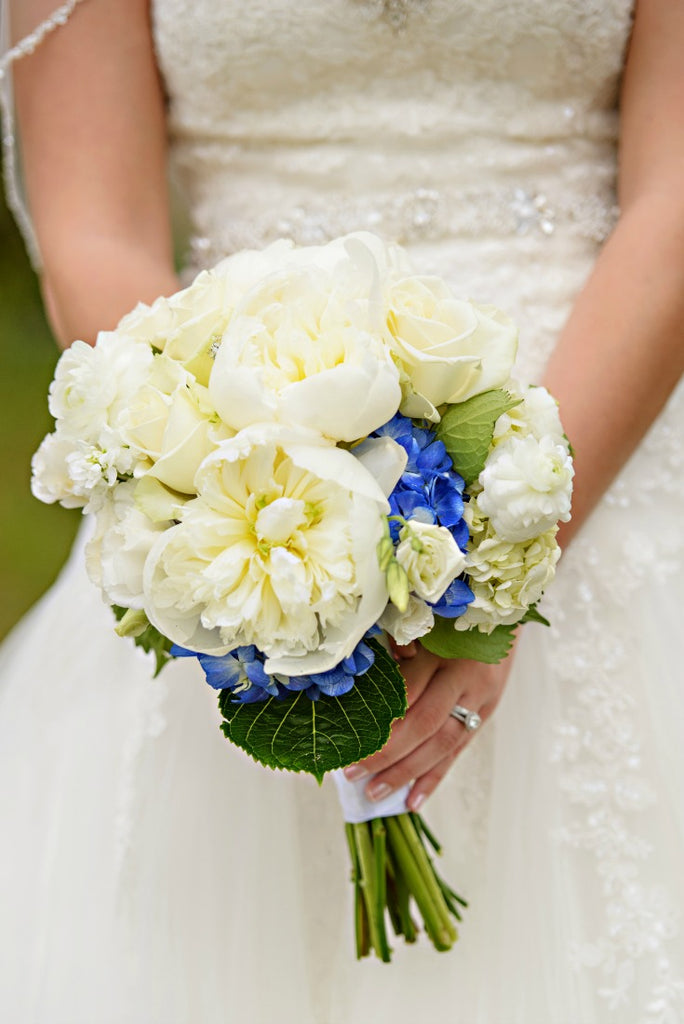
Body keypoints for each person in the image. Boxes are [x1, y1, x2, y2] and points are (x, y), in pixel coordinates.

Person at [0, 0, 682, 1021]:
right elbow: (97, 229)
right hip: (245, 484)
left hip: (607, 448)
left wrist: (506, 557)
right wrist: (250, 498)